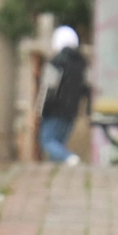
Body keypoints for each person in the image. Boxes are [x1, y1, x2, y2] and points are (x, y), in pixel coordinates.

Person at [39, 25, 89, 165]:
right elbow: (86, 88)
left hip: (53, 110)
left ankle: (69, 158)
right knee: (59, 142)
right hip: (72, 111)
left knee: (47, 141)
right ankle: (56, 172)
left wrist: (42, 110)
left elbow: (47, 88)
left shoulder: (56, 62)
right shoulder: (82, 64)